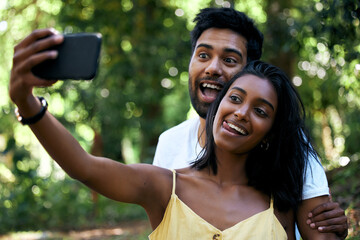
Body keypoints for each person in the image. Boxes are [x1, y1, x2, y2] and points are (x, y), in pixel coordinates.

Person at [9, 30, 340, 238]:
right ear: (217, 106)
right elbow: (84, 166)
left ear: (270, 133)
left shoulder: (277, 206)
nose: (241, 112)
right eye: (235, 99)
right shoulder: (164, 186)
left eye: (261, 110)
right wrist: (26, 102)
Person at [153, 7, 348, 239]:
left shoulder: (292, 145)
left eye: (229, 59)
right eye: (203, 55)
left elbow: (322, 232)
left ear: (249, 72)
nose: (213, 68)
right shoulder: (169, 143)